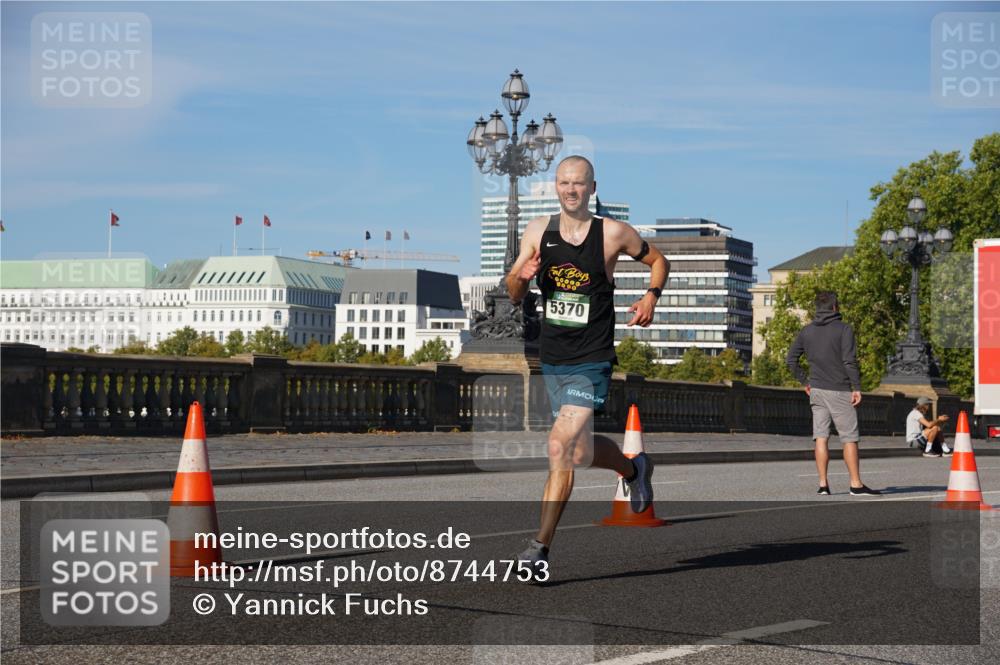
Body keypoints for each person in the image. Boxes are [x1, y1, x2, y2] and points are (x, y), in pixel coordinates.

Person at [506, 155, 669, 575]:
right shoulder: (538, 231)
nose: (571, 190)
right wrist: (522, 275)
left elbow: (658, 261)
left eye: (579, 183)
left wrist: (651, 295)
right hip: (554, 357)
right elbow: (512, 293)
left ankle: (538, 548)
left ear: (592, 188)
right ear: (555, 187)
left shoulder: (612, 233)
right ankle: (634, 469)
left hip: (592, 359)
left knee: (559, 445)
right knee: (577, 451)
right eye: (564, 183)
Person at [787, 291, 881, 497]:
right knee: (849, 438)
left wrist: (805, 381)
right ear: (834, 307)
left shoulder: (807, 331)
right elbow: (849, 360)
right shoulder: (844, 329)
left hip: (817, 390)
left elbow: (790, 360)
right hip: (839, 389)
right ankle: (855, 484)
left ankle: (823, 485)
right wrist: (856, 387)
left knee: (820, 437)